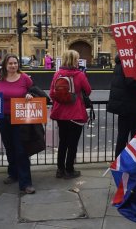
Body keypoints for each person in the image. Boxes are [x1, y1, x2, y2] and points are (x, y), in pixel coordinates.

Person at [0, 54, 36, 194]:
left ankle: (26, 183)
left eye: (15, 63)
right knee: (9, 147)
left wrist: (30, 95)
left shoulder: (24, 78)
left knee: (21, 149)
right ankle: (13, 174)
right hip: (3, 118)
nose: (13, 65)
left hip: (20, 118)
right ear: (5, 65)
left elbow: (34, 91)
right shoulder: (0, 78)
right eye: (10, 63)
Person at [49, 50, 92, 179]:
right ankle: (69, 170)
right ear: (74, 60)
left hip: (60, 113)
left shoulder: (57, 74)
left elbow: (52, 93)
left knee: (63, 142)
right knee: (72, 143)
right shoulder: (80, 75)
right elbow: (88, 91)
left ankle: (60, 169)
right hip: (76, 113)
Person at [107, 54, 136, 158]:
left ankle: (119, 160)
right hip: (133, 105)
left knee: (122, 135)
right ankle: (131, 161)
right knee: (134, 137)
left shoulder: (120, 61)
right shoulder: (130, 62)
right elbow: (131, 82)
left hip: (124, 105)